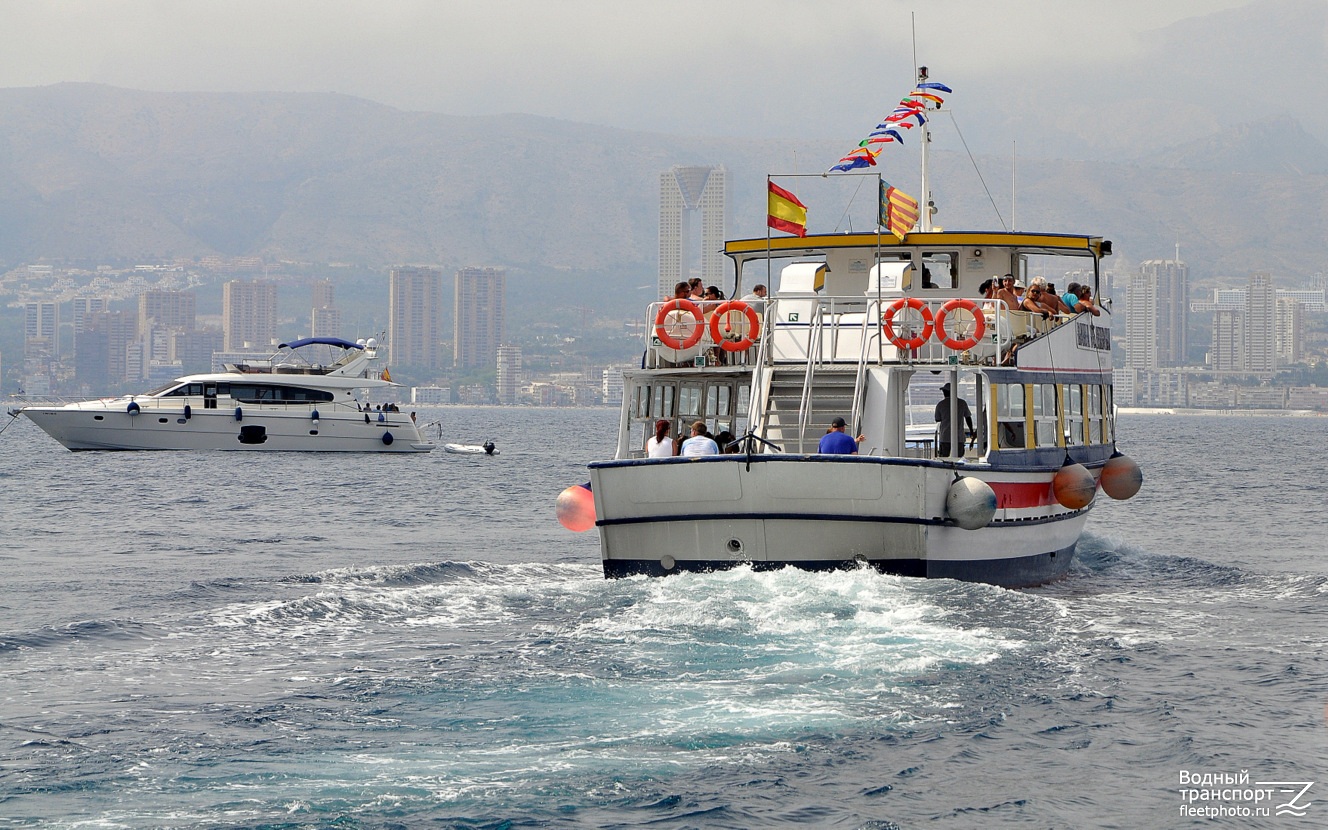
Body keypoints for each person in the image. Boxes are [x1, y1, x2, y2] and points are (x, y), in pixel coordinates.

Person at [934, 383, 975, 458]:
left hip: (945, 436)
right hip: (959, 437)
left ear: (945, 392)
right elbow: (968, 417)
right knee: (959, 459)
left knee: (944, 458)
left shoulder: (940, 404)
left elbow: (937, 419)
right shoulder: (962, 403)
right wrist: (971, 431)